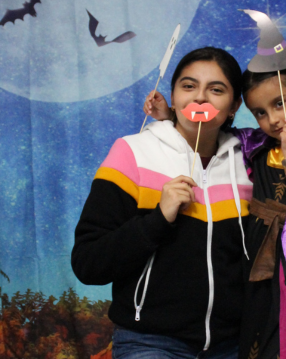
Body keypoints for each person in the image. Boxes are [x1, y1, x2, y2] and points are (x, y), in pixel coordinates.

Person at [144, 64, 286, 358]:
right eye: (260, 113)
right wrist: (169, 116)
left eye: (280, 104)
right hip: (252, 267)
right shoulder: (258, 144)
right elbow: (211, 132)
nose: (273, 119)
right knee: (252, 343)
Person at [72, 47, 253, 359]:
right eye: (188, 86)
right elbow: (89, 263)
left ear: (235, 104)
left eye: (216, 89)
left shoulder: (250, 162)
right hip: (150, 343)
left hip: (233, 344)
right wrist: (159, 218)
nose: (200, 98)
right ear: (173, 95)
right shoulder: (132, 153)